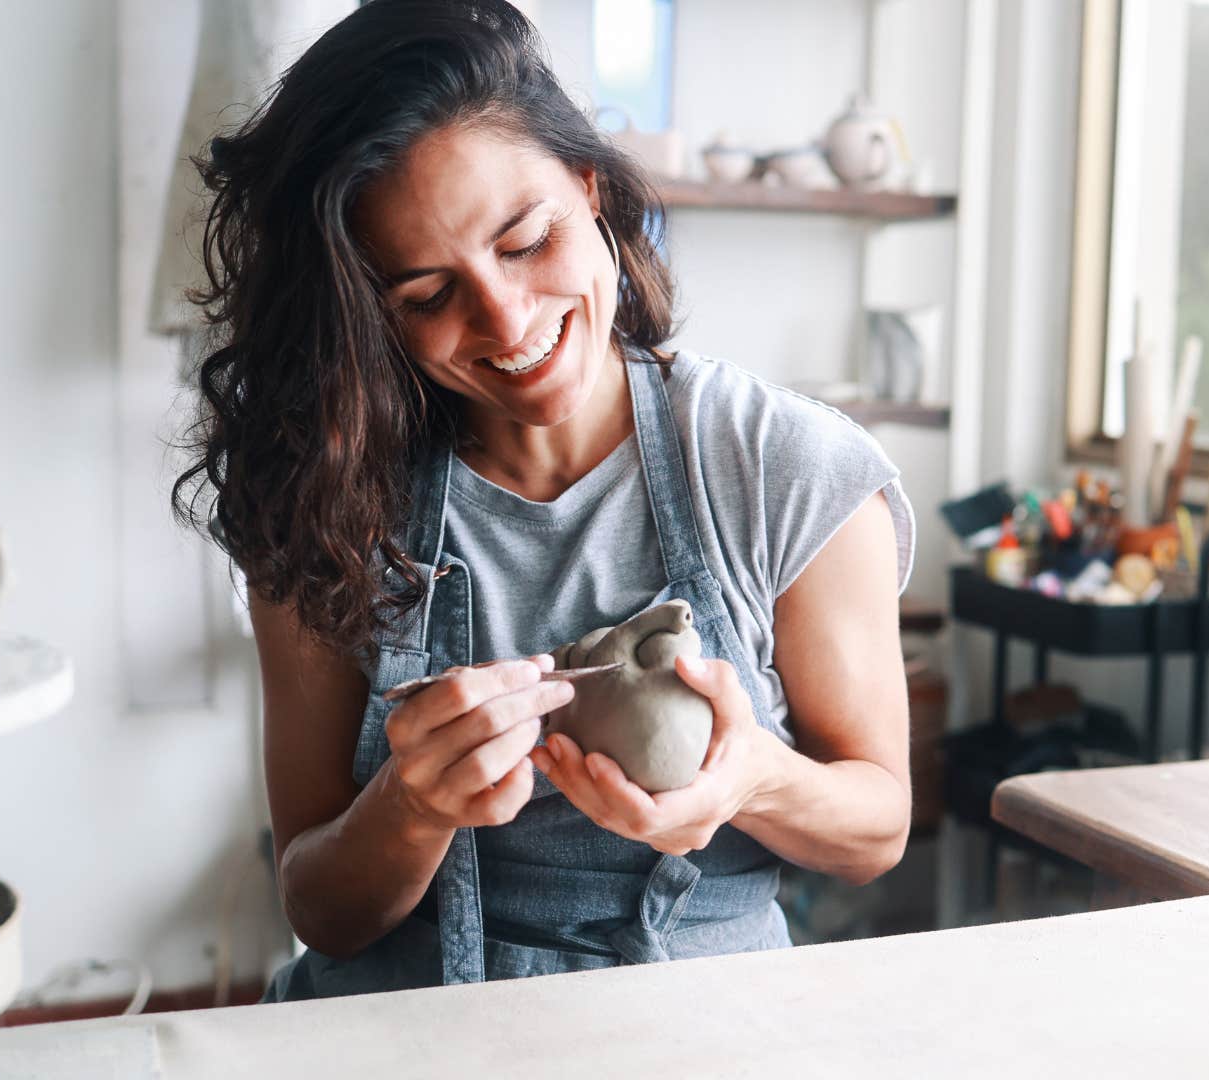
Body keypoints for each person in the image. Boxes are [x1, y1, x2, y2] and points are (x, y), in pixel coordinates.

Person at [172, 0, 915, 1000]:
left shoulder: (786, 467)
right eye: (427, 296)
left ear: (589, 186)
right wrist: (412, 807)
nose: (505, 319)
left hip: (700, 1033)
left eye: (525, 241)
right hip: (404, 1031)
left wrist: (756, 780)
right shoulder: (322, 497)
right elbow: (319, 907)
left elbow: (877, 828)